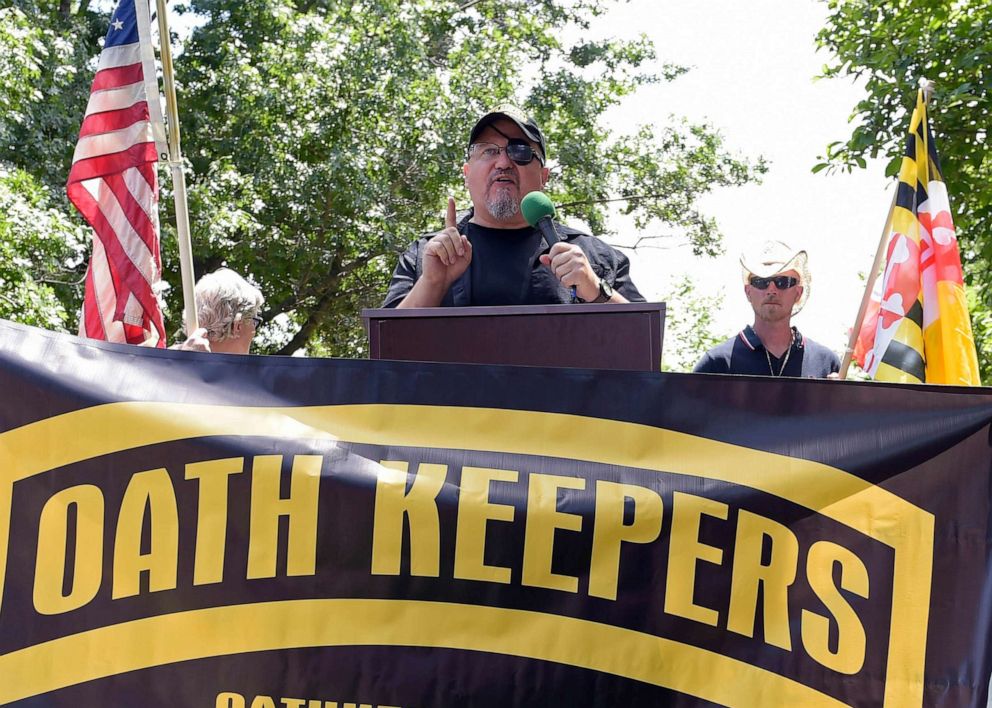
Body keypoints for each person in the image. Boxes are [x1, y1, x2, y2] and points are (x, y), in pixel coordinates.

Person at [383, 106, 644, 308]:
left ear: (543, 176)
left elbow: (644, 346)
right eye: (488, 151)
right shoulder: (426, 255)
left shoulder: (594, 258)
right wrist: (432, 283)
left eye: (519, 151)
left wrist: (594, 290)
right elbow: (384, 356)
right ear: (466, 173)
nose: (504, 162)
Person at [693, 240, 840, 377]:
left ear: (798, 292)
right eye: (761, 281)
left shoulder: (826, 363)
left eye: (783, 281)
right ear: (748, 292)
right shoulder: (716, 363)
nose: (771, 290)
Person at [175, 268, 264, 354]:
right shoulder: (258, 369)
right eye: (254, 322)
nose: (254, 332)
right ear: (238, 325)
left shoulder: (166, 363)